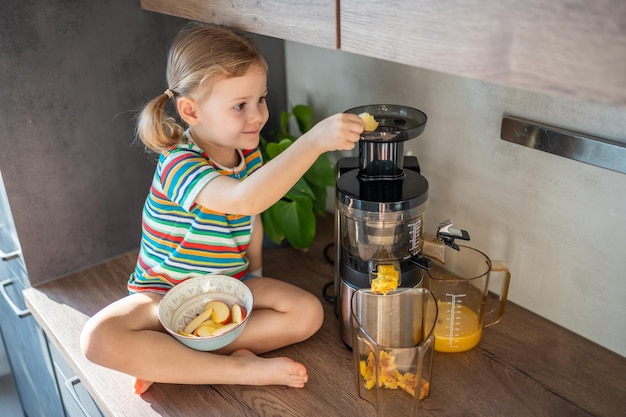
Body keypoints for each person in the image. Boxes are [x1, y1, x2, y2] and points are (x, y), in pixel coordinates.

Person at [79, 22, 364, 395]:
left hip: (231, 285)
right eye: (240, 106)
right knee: (97, 338)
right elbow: (244, 199)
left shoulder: (248, 152)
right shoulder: (178, 163)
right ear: (190, 111)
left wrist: (256, 275)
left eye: (261, 99)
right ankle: (237, 369)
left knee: (307, 313)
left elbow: (251, 218)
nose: (258, 115)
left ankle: (171, 360)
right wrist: (312, 143)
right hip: (163, 293)